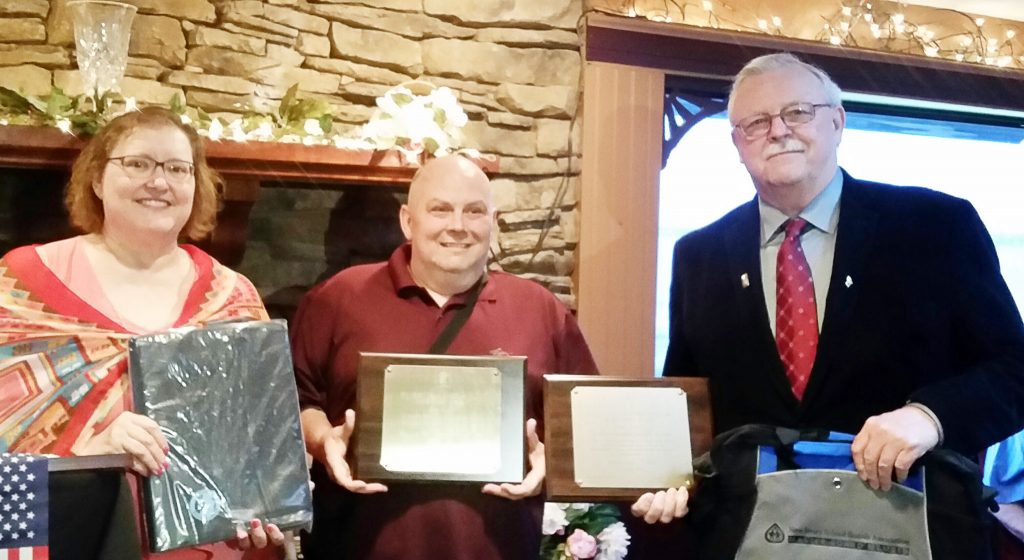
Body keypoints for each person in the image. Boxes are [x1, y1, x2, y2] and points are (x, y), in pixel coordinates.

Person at [634, 52, 1024, 530]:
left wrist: (931, 416)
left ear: (837, 122)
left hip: (905, 527)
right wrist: (666, 475)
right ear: (737, 143)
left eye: (797, 112)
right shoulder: (700, 254)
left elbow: (1014, 370)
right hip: (748, 535)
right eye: (756, 122)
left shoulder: (937, 226)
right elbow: (688, 405)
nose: (778, 131)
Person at [0, 107, 286, 558]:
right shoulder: (21, 285)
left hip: (207, 547)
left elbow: (261, 444)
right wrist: (93, 455)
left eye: (177, 169)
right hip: (75, 540)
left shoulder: (234, 299)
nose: (159, 181)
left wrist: (267, 505)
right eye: (137, 164)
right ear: (98, 179)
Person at [290, 154, 599, 560]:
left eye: (474, 211)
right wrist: (323, 439)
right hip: (354, 546)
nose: (458, 225)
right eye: (440, 209)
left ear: (494, 222)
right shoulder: (338, 298)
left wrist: (550, 459)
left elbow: (584, 421)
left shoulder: (540, 310)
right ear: (407, 221)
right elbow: (295, 403)